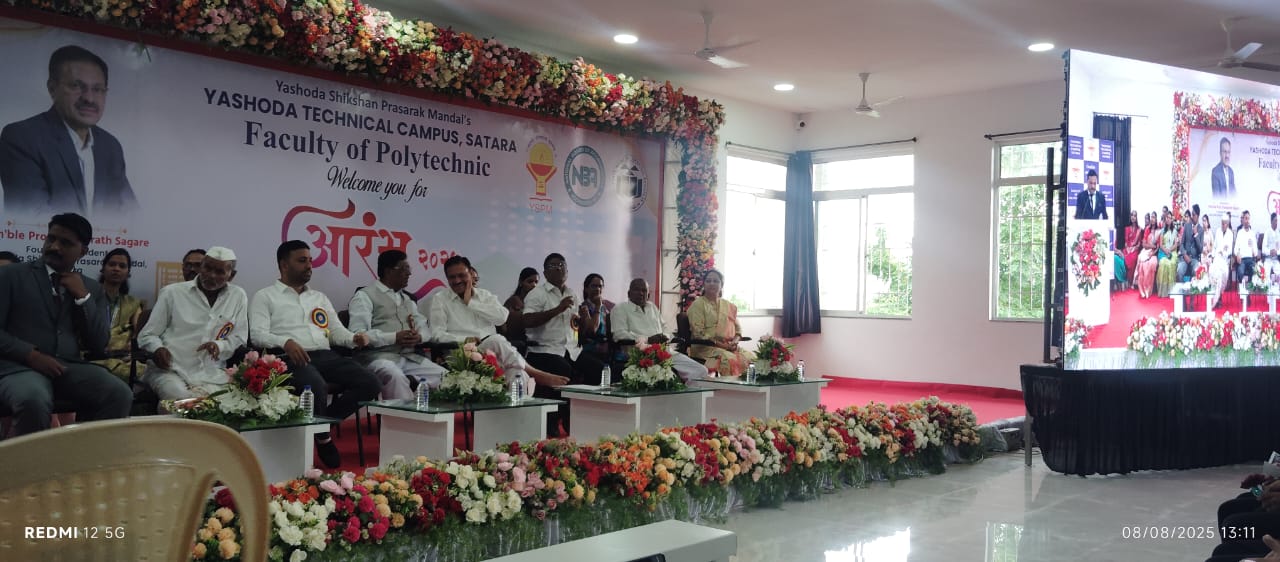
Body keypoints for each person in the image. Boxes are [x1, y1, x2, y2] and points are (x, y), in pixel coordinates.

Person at [249, 240, 380, 468]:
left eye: (310, 260)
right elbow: (258, 335)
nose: (309, 266)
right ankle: (323, 438)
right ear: (284, 265)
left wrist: (354, 338)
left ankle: (321, 427)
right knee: (315, 385)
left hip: (325, 356)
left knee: (371, 382)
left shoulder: (319, 297)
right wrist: (285, 342)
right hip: (288, 358)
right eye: (302, 261)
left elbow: (335, 332)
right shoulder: (265, 296)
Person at [0, 213, 130, 436]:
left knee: (119, 393)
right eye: (51, 239)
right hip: (19, 367)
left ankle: (89, 456)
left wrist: (83, 298)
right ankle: (29, 459)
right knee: (32, 399)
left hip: (66, 368)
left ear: (83, 251)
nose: (54, 247)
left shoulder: (90, 288)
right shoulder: (11, 275)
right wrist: (31, 355)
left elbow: (99, 344)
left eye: (66, 243)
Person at [0, 45, 139, 216]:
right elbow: (30, 219)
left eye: (97, 89)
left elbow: (131, 216)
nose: (89, 98)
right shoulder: (22, 138)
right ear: (52, 88)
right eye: (76, 86)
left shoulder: (110, 146)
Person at [428, 255, 568, 393]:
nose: (457, 280)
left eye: (461, 275)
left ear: (470, 274)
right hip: (463, 354)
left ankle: (518, 404)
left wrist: (471, 302)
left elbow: (502, 318)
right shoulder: (440, 299)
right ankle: (536, 373)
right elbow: (436, 334)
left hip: (494, 356)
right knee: (495, 340)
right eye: (452, 277)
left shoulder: (484, 296)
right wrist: (464, 340)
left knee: (518, 374)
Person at [138, 246, 247, 400]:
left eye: (219, 272)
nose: (211, 275)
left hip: (211, 374)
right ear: (201, 267)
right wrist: (157, 349)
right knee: (179, 400)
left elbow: (239, 336)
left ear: (231, 275)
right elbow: (147, 334)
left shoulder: (238, 296)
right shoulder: (172, 293)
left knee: (231, 404)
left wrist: (220, 346)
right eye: (207, 268)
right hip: (170, 370)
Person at [346, 250, 444, 399]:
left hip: (408, 358)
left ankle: (423, 409)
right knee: (395, 376)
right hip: (376, 358)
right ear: (388, 271)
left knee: (445, 377)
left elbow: (423, 327)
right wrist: (394, 337)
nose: (409, 273)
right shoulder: (364, 296)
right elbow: (357, 334)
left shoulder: (407, 299)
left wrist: (419, 337)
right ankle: (402, 414)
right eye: (405, 268)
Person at [522, 253, 605, 384]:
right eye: (553, 266)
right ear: (545, 273)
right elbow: (527, 321)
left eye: (561, 265)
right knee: (564, 369)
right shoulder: (537, 294)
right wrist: (558, 309)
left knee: (599, 369)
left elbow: (582, 329)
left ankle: (584, 398)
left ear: (567, 271)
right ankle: (565, 399)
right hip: (544, 350)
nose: (558, 268)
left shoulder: (572, 294)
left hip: (571, 350)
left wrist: (583, 318)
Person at [611, 278, 709, 382]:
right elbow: (619, 335)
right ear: (629, 293)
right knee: (670, 379)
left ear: (648, 295)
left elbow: (665, 328)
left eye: (644, 290)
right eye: (636, 289)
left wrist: (665, 336)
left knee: (701, 371)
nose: (640, 293)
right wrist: (648, 339)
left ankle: (685, 392)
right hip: (641, 355)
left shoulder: (652, 307)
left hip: (665, 352)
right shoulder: (620, 309)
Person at [90, 247, 145, 383]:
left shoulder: (132, 303)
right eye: (112, 264)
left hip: (122, 357)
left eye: (122, 266)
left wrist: (133, 345)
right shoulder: (88, 298)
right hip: (92, 356)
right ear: (103, 269)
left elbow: (139, 332)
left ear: (128, 273)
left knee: (149, 372)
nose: (116, 269)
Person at [687, 269, 754, 376]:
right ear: (704, 284)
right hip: (706, 348)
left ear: (721, 285)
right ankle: (728, 387)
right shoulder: (698, 305)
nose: (712, 283)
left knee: (752, 359)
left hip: (729, 347)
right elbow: (699, 333)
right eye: (708, 281)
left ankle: (747, 387)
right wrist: (724, 346)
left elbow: (738, 330)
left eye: (716, 281)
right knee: (730, 360)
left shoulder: (728, 305)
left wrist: (734, 342)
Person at [577, 273, 615, 365]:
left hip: (609, 350)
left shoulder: (609, 306)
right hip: (591, 351)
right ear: (586, 289)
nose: (598, 289)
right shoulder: (582, 308)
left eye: (600, 286)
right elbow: (592, 330)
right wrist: (598, 306)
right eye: (594, 286)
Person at [500, 267, 538, 340]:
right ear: (521, 282)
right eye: (530, 281)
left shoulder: (535, 303)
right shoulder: (514, 301)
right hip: (516, 342)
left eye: (536, 282)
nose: (534, 285)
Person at [1210, 215, 1234, 309]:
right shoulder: (1218, 231)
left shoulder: (1230, 234)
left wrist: (1223, 252)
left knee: (1222, 275)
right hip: (1216, 258)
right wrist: (1213, 255)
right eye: (1222, 223)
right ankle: (1216, 298)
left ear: (1227, 224)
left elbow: (1230, 250)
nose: (1223, 225)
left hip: (1225, 260)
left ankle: (1219, 296)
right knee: (1215, 273)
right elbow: (1214, 246)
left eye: (1225, 223)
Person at [1135, 213, 1160, 299]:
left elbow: (1158, 247)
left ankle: (1148, 290)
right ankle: (1142, 289)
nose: (1152, 219)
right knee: (1142, 263)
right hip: (1146, 251)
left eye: (1154, 217)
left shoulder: (1158, 231)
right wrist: (1151, 246)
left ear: (1156, 219)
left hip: (1154, 254)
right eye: (1151, 217)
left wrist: (1152, 253)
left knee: (1152, 264)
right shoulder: (1147, 229)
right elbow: (1144, 245)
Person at [1156, 218, 1180, 298]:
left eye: (1170, 218)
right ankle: (1163, 292)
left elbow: (1175, 245)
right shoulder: (1162, 231)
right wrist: (1166, 251)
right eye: (1167, 218)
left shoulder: (1175, 231)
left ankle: (1171, 291)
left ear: (1172, 220)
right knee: (1163, 263)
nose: (1168, 220)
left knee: (1171, 264)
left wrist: (1169, 250)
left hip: (1172, 252)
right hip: (1163, 252)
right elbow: (1160, 245)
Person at [1177, 207, 1202, 282]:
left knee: (1196, 271)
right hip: (1184, 258)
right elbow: (1181, 244)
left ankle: (1192, 289)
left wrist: (1196, 235)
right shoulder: (1186, 226)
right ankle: (1182, 289)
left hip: (1194, 259)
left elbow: (1200, 249)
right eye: (1192, 214)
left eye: (1194, 215)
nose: (1192, 217)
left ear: (1198, 216)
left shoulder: (1201, 230)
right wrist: (1184, 254)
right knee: (1179, 271)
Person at [1236, 210, 1261, 286]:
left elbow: (1256, 250)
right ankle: (1244, 286)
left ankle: (1248, 285)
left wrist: (1254, 252)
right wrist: (1238, 254)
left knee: (1255, 272)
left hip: (1251, 259)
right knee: (1240, 273)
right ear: (1243, 220)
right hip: (1242, 260)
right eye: (1246, 218)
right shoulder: (1240, 233)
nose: (1247, 221)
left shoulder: (1252, 233)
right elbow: (1236, 248)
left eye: (1248, 219)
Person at [1120, 211, 1142, 289]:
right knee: (1124, 257)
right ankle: (1126, 280)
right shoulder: (1127, 228)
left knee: (1133, 258)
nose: (1133, 217)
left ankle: (1131, 281)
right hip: (1127, 248)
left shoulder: (1139, 230)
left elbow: (1139, 243)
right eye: (1132, 215)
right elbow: (1126, 242)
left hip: (1135, 249)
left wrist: (1134, 248)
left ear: (1136, 218)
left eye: (1135, 216)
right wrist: (1128, 248)